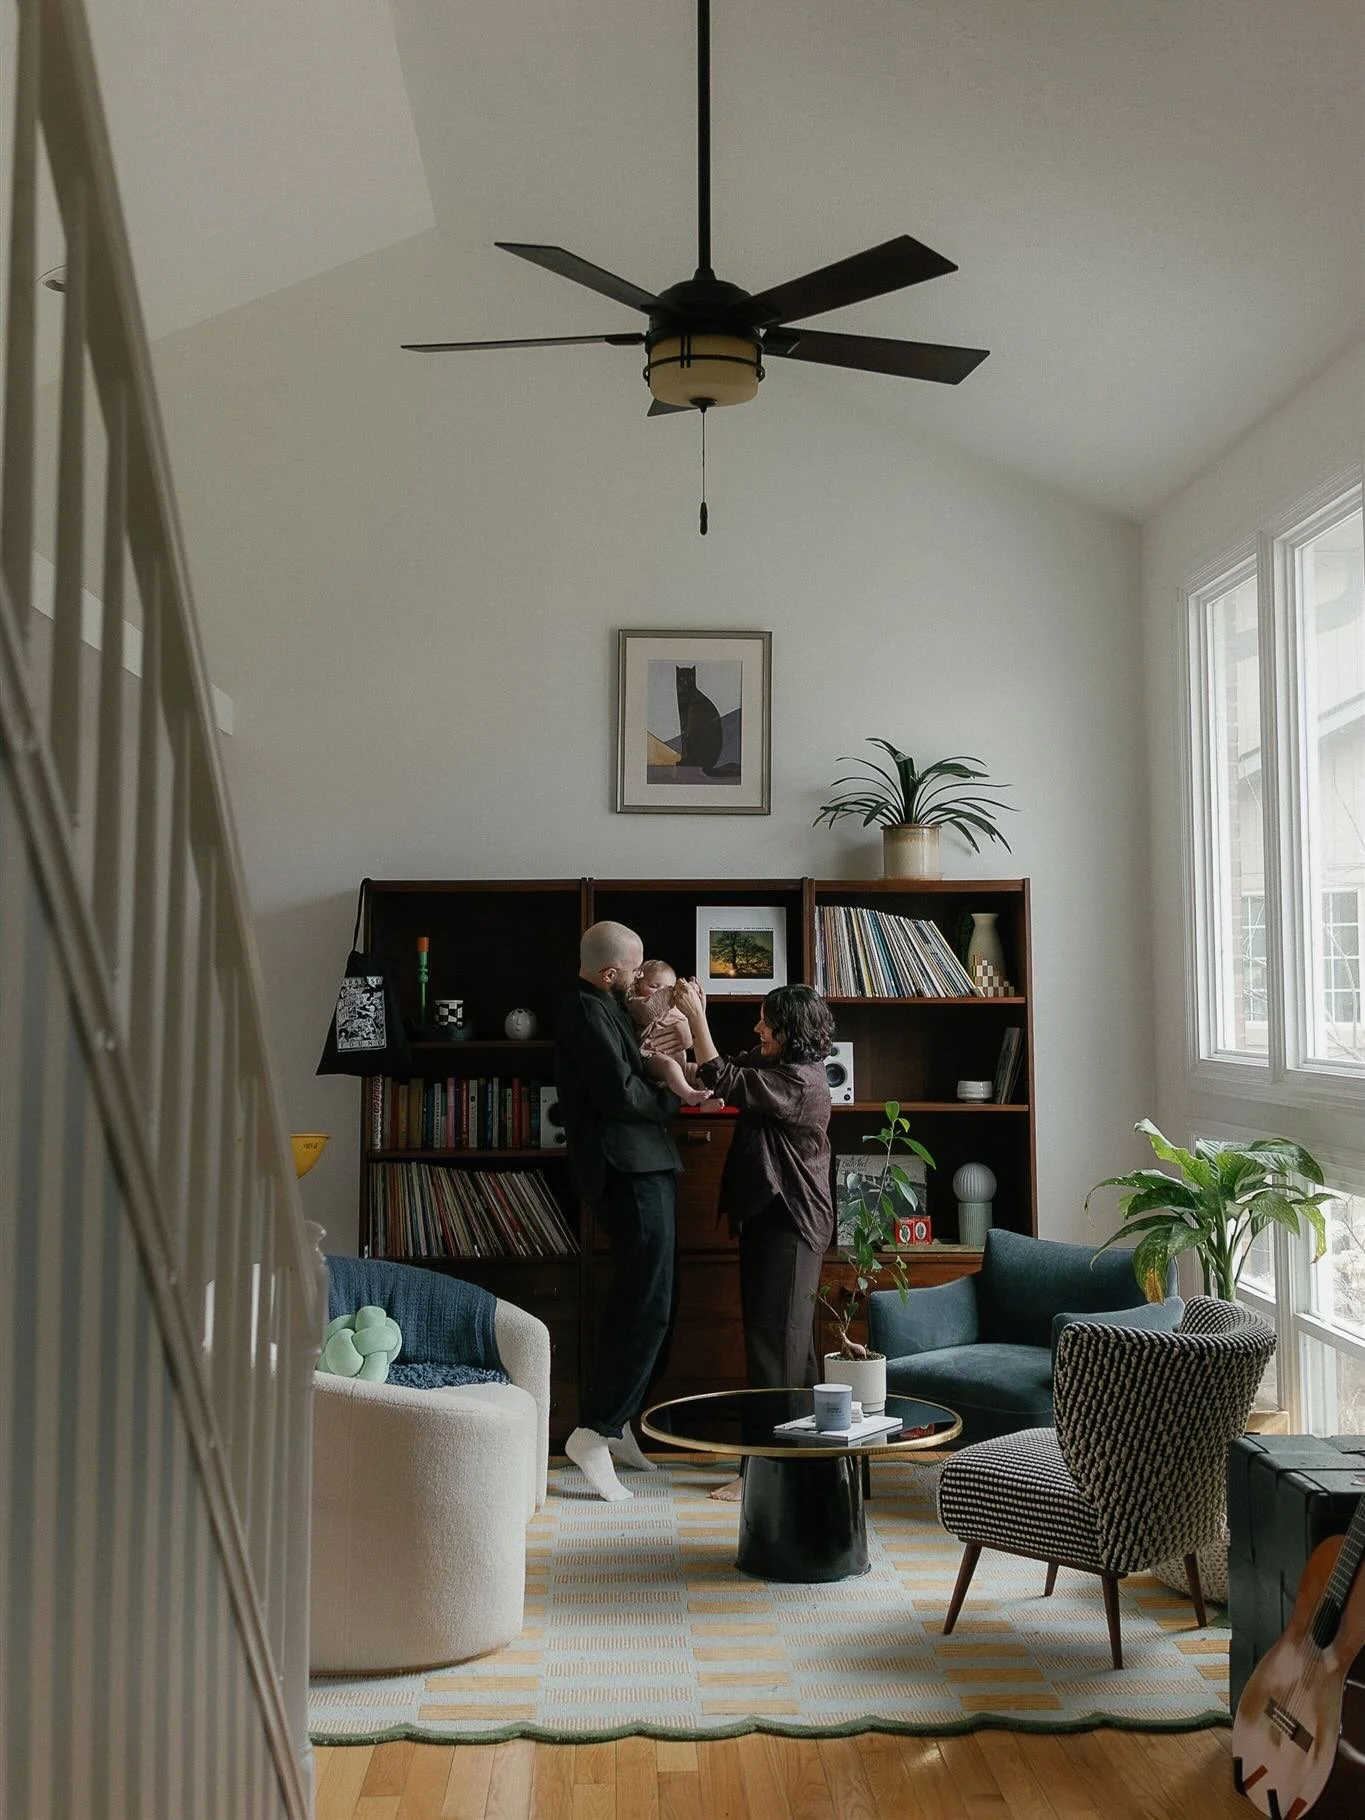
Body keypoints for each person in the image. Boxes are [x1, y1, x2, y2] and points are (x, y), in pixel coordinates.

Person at [671, 977, 837, 1500]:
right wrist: (684, 1033)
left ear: (790, 1031)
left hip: (791, 1223)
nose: (758, 1027)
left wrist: (698, 1016)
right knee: (790, 1350)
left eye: (766, 1020)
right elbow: (725, 1068)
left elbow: (724, 1077)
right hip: (774, 1219)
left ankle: (765, 1474)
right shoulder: (780, 1067)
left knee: (777, 1351)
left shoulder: (801, 1083)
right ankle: (801, 1462)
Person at [553, 921, 684, 1501]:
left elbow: (636, 1077)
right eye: (633, 971)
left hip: (646, 1165)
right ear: (610, 973)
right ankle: (593, 1431)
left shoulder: (607, 1006)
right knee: (643, 1304)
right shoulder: (585, 1011)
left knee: (659, 1302)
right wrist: (670, 1095)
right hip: (625, 1170)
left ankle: (622, 1422)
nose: (639, 980)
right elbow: (621, 1094)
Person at [624, 959, 717, 1106]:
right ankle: (689, 1095)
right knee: (671, 1067)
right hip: (652, 1058)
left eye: (667, 987)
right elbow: (649, 1010)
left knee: (701, 1072)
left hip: (679, 1061)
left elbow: (693, 1036)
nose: (660, 991)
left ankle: (704, 1100)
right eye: (654, 986)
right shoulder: (637, 1003)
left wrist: (697, 1003)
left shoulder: (675, 1008)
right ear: (637, 986)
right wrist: (676, 992)